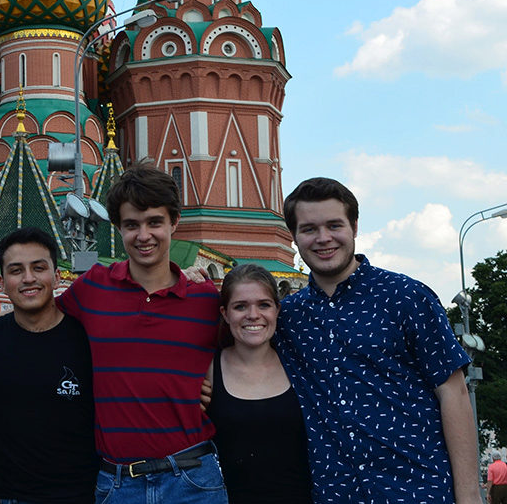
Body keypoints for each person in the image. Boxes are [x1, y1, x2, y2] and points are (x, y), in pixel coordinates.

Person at [277, 177, 479, 504]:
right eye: (309, 229)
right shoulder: (286, 318)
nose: (323, 238)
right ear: (294, 236)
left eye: (334, 225)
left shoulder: (406, 297)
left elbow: (453, 391)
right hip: (335, 493)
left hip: (417, 488)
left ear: (354, 227)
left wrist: (470, 495)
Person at [57, 165, 224, 504]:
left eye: (154, 222)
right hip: (118, 483)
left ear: (174, 222)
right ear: (118, 228)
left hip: (193, 479)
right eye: (132, 225)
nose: (143, 235)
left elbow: (247, 353)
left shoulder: (206, 298)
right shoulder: (94, 287)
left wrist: (217, 389)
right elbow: (36, 325)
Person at [0, 227, 98, 504]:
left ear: (56, 276)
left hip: (82, 495)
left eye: (38, 268)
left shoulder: (87, 337)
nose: (28, 278)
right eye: (16, 270)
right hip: (9, 496)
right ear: (1, 282)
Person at [205, 263, 310, 503]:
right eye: (240, 306)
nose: (253, 315)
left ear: (277, 310)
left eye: (264, 305)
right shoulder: (208, 372)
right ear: (225, 313)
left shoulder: (299, 368)